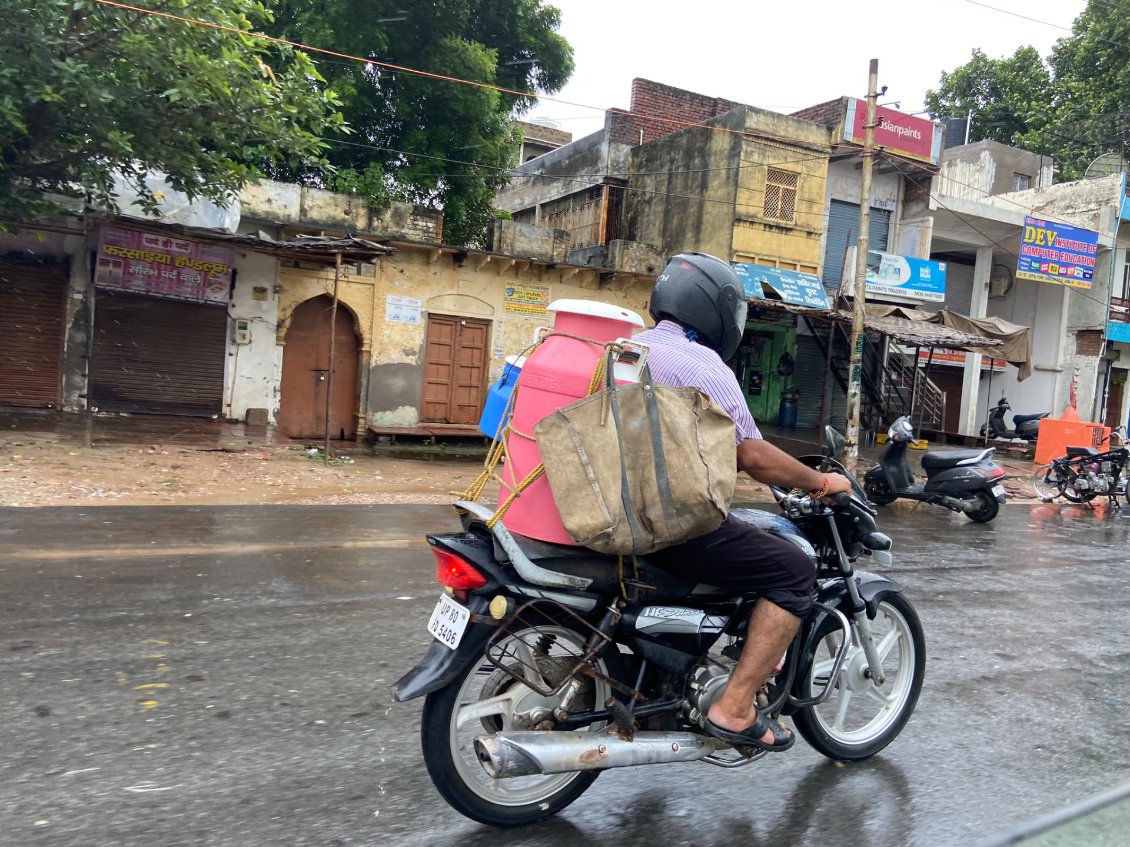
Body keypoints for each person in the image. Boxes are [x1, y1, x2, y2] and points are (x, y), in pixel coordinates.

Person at [635, 252, 853, 753]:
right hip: (667, 524)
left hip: (610, 514)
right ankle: (734, 708)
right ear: (717, 311)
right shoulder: (702, 366)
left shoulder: (624, 347)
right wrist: (819, 482)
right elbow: (753, 455)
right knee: (793, 570)